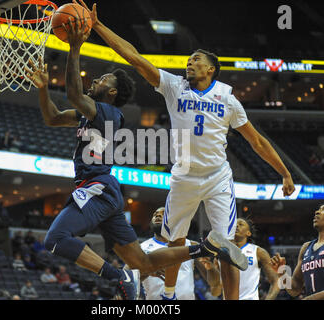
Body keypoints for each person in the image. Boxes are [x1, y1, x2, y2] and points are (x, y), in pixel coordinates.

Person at [78, 0, 296, 299]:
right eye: (188, 61)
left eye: (195, 60)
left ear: (211, 69)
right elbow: (135, 57)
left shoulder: (228, 100)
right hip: (183, 176)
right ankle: (169, 294)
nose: (189, 64)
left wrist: (284, 173)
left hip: (218, 177)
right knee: (175, 240)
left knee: (227, 244)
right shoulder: (173, 86)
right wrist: (99, 26)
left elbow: (256, 141)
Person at [25, 15, 248, 300]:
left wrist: (75, 47)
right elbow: (53, 118)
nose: (95, 80)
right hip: (106, 192)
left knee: (55, 239)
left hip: (96, 186)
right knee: (142, 263)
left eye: (102, 79)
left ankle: (119, 277)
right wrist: (43, 89)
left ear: (113, 92)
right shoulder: (91, 112)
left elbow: (73, 94)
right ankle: (205, 248)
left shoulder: (106, 112)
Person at [140, 207, 222, 300]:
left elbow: (214, 284)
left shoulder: (191, 245)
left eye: (163, 213)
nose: (157, 215)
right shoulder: (142, 248)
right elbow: (131, 278)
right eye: (155, 214)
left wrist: (210, 267)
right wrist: (147, 271)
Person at [270, 204, 324, 300]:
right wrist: (282, 272)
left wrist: (309, 298)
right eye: (318, 209)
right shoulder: (306, 248)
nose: (317, 212)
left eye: (323, 210)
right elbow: (295, 289)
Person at [234, 218, 280, 300]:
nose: (236, 225)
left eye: (241, 224)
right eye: (234, 224)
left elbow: (276, 281)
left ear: (248, 233)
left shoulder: (258, 252)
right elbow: (215, 287)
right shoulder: (222, 252)